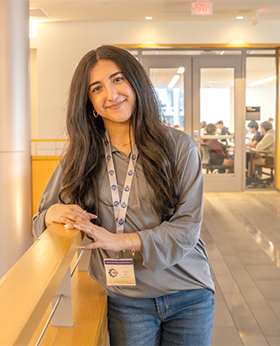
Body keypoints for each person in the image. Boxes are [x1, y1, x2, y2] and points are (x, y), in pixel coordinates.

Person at [33, 45, 215, 346]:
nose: (111, 94)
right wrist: (52, 213)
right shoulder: (81, 158)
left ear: (135, 83)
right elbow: (40, 220)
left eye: (118, 80)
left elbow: (187, 228)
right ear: (90, 102)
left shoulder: (180, 147)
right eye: (97, 88)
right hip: (126, 299)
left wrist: (122, 241)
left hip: (188, 291)